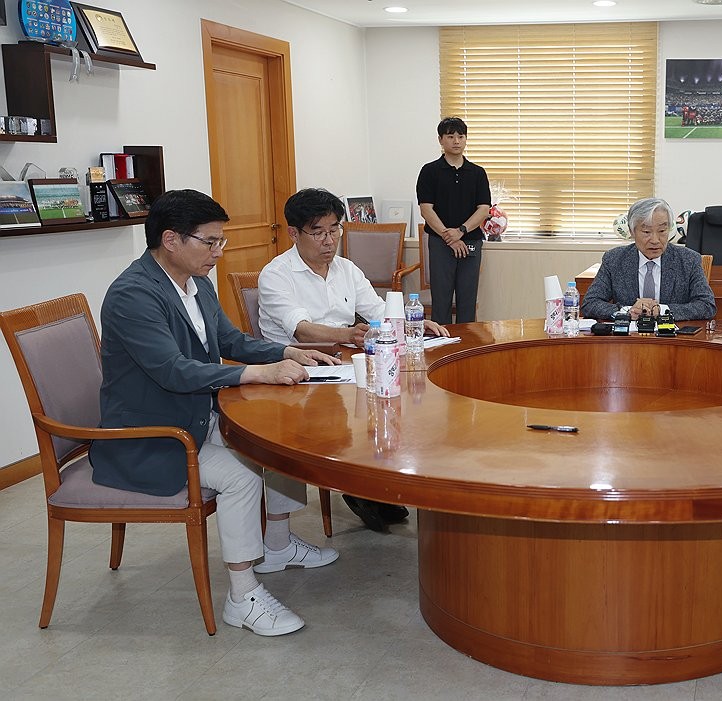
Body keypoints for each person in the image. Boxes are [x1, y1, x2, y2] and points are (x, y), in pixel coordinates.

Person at [91, 189, 341, 637]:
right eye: (210, 242)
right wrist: (258, 373)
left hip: (195, 416)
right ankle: (242, 597)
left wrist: (287, 351)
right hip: (152, 434)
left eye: (220, 241)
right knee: (241, 475)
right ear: (171, 240)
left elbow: (229, 341)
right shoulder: (133, 295)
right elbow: (172, 370)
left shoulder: (197, 283)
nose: (218, 252)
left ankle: (278, 546)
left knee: (280, 438)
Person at [258, 187, 448, 531]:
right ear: (293, 233)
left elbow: (377, 310)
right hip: (296, 377)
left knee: (396, 402)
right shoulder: (276, 274)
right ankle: (360, 487)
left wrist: (415, 322)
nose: (329, 240)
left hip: (344, 367)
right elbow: (301, 330)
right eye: (318, 232)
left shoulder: (346, 269)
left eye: (335, 230)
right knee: (365, 408)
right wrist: (347, 334)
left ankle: (374, 486)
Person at [580, 197, 716, 321]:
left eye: (662, 231)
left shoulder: (688, 260)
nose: (655, 240)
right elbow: (590, 303)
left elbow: (707, 305)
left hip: (673, 337)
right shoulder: (614, 259)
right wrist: (628, 311)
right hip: (629, 337)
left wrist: (663, 310)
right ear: (632, 231)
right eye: (646, 232)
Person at [416, 117, 491, 324]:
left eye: (461, 136)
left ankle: (466, 342)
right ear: (440, 140)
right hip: (440, 242)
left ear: (466, 139)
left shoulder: (477, 173)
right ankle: (441, 341)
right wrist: (448, 237)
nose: (456, 141)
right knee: (441, 300)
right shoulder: (429, 171)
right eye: (450, 136)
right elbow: (426, 209)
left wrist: (461, 231)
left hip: (470, 241)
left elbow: (484, 209)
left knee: (467, 299)